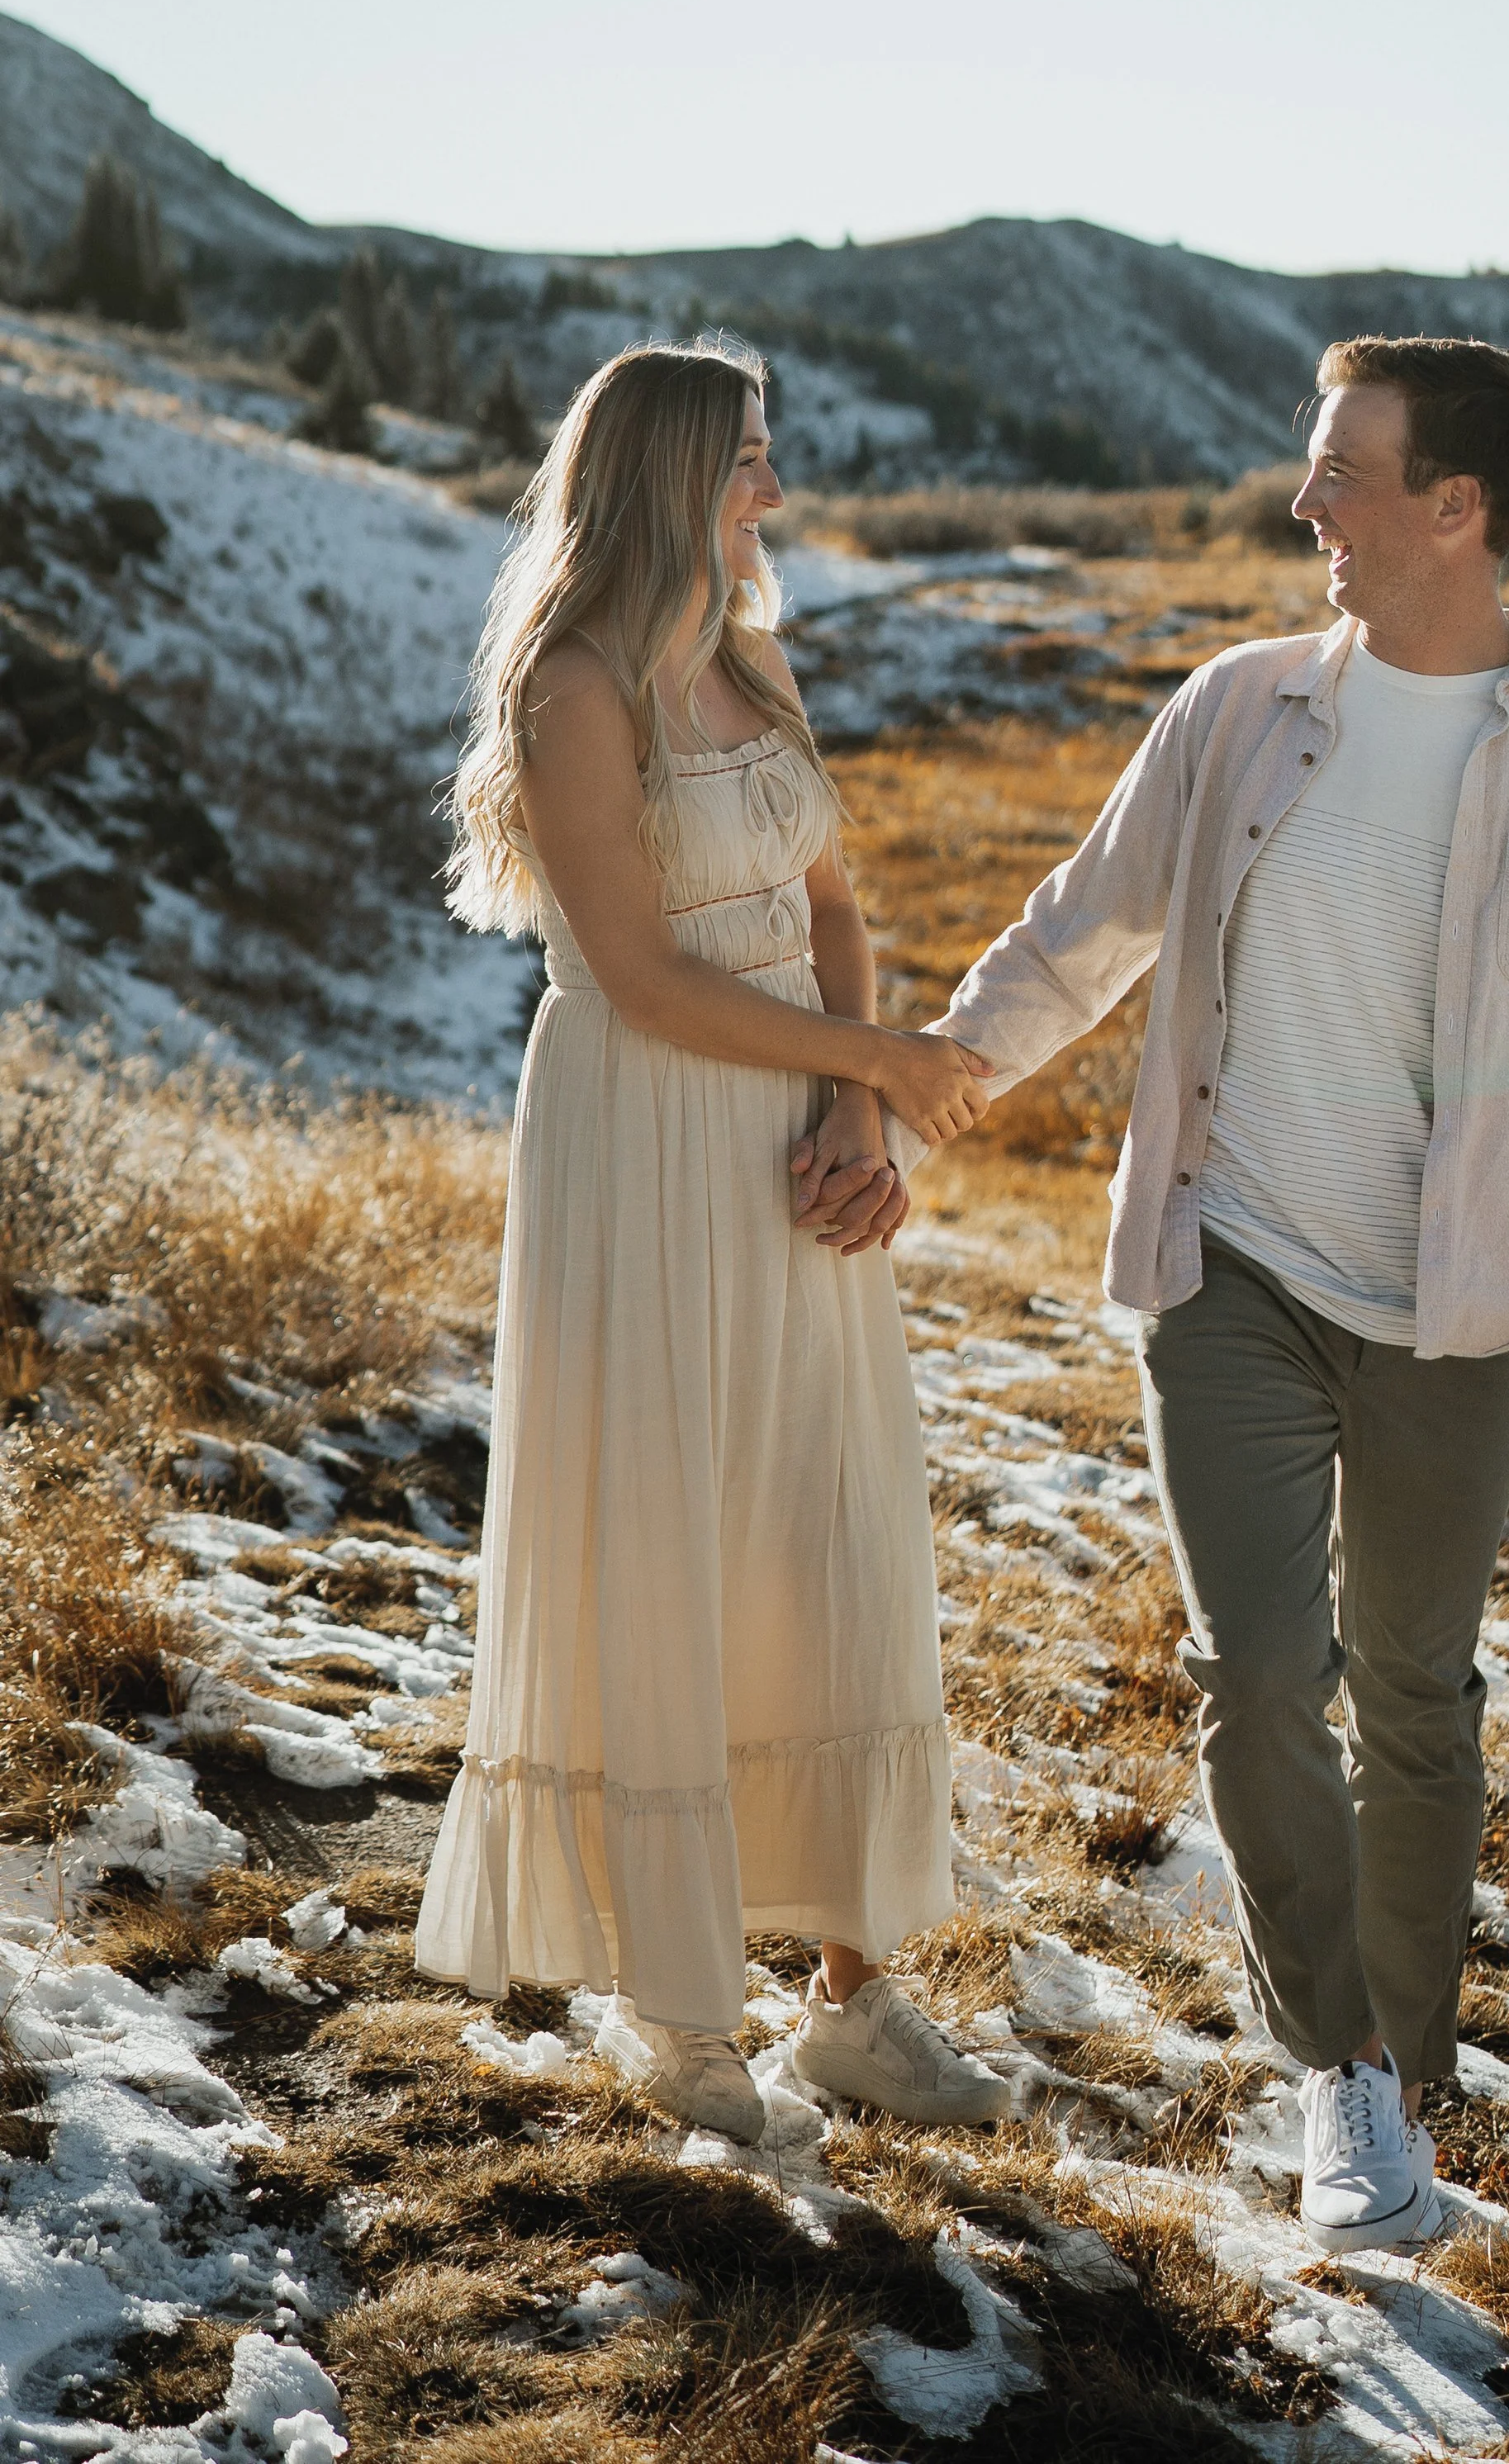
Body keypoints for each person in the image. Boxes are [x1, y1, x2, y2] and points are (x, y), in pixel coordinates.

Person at [893, 335, 1509, 2247]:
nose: (1301, 505)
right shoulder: (1239, 709)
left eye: (1339, 473)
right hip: (1230, 1269)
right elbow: (1078, 931)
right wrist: (912, 1100)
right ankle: (1337, 2071)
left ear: (1455, 508)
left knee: (1415, 1698)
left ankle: (1403, 2083)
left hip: (1461, 1319)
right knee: (1259, 1677)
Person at [415, 339, 1009, 2140]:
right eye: (748, 457)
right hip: (645, 1136)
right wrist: (885, 1064)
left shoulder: (748, 654)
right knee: (665, 1536)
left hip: (787, 1133)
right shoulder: (574, 687)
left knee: (825, 1529)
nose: (774, 488)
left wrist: (853, 1109)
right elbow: (651, 979)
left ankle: (848, 1998)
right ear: (672, 474)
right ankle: (676, 2015)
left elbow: (829, 907)